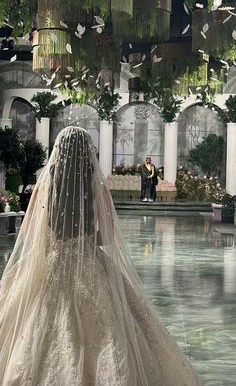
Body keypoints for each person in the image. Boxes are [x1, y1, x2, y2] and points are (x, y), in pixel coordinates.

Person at [0, 126, 202, 386]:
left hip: (50, 263)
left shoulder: (46, 186)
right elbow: (106, 237)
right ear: (88, 154)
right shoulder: (97, 187)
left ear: (58, 153)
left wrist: (58, 241)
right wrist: (83, 241)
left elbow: (29, 231)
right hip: (89, 264)